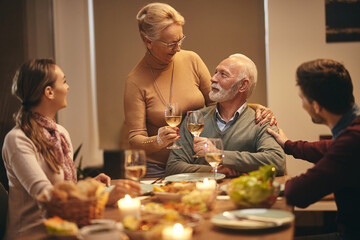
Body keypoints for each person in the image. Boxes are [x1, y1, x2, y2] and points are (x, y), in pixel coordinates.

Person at [124, 2, 276, 178]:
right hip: (158, 169)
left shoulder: (191, 60)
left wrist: (255, 108)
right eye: (171, 43)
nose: (178, 48)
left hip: (196, 162)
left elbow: (218, 101)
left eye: (180, 39)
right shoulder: (135, 81)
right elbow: (135, 140)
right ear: (148, 42)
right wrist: (157, 141)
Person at [2, 59, 141, 240]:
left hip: (65, 230)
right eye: (64, 81)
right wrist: (104, 199)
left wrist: (88, 187)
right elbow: (47, 195)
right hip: (35, 235)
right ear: (49, 92)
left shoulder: (59, 133)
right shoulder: (17, 140)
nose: (68, 87)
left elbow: (62, 189)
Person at [267, 59, 360, 240]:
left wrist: (272, 187)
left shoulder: (351, 142)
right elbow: (329, 148)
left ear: (316, 106)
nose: (302, 104)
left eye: (302, 98)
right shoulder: (352, 131)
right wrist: (288, 145)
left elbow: (299, 193)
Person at [166, 54, 285, 177]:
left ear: (243, 85)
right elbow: (173, 166)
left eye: (223, 74)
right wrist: (214, 171)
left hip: (241, 194)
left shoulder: (262, 120)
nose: (213, 78)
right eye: (216, 72)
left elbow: (277, 162)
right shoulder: (195, 119)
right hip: (201, 194)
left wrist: (220, 155)